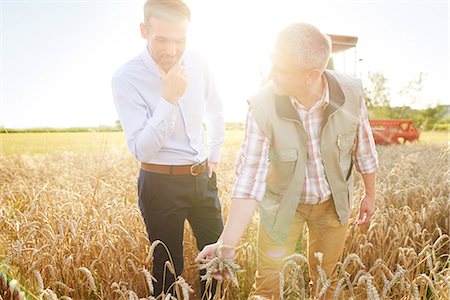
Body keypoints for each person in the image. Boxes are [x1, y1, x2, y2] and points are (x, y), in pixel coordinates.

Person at [196, 23, 378, 299]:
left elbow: (364, 148)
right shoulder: (261, 106)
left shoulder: (351, 94)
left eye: (280, 69)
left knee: (326, 284)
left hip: (332, 205)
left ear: (312, 75)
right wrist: (227, 243)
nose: (271, 75)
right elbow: (250, 176)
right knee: (268, 286)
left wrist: (370, 195)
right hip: (281, 207)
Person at [111, 0, 224, 297]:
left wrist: (214, 155)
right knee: (167, 271)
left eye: (180, 40)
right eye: (162, 39)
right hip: (160, 184)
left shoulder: (198, 61)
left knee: (217, 263)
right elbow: (142, 150)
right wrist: (168, 100)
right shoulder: (126, 78)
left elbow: (215, 110)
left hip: (203, 179)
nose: (172, 50)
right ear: (143, 30)